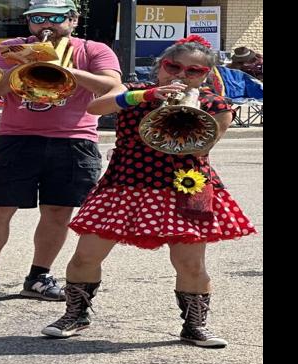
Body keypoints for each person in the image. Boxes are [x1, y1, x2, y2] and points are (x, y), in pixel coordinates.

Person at [44, 34, 254, 346]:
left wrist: (185, 109)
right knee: (86, 255)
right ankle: (76, 315)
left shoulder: (216, 104)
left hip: (187, 186)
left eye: (193, 71)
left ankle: (195, 326)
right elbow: (95, 107)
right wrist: (146, 96)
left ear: (206, 75)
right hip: (125, 183)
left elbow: (207, 142)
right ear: (160, 66)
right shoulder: (133, 91)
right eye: (173, 66)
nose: (181, 75)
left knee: (190, 263)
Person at [0, 0, 118, 305]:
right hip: (17, 138)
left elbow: (112, 85)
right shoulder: (11, 48)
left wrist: (66, 71)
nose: (45, 25)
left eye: (54, 18)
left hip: (75, 140)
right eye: (37, 19)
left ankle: (39, 276)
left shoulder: (92, 49)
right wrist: (22, 66)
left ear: (73, 19)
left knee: (57, 212)